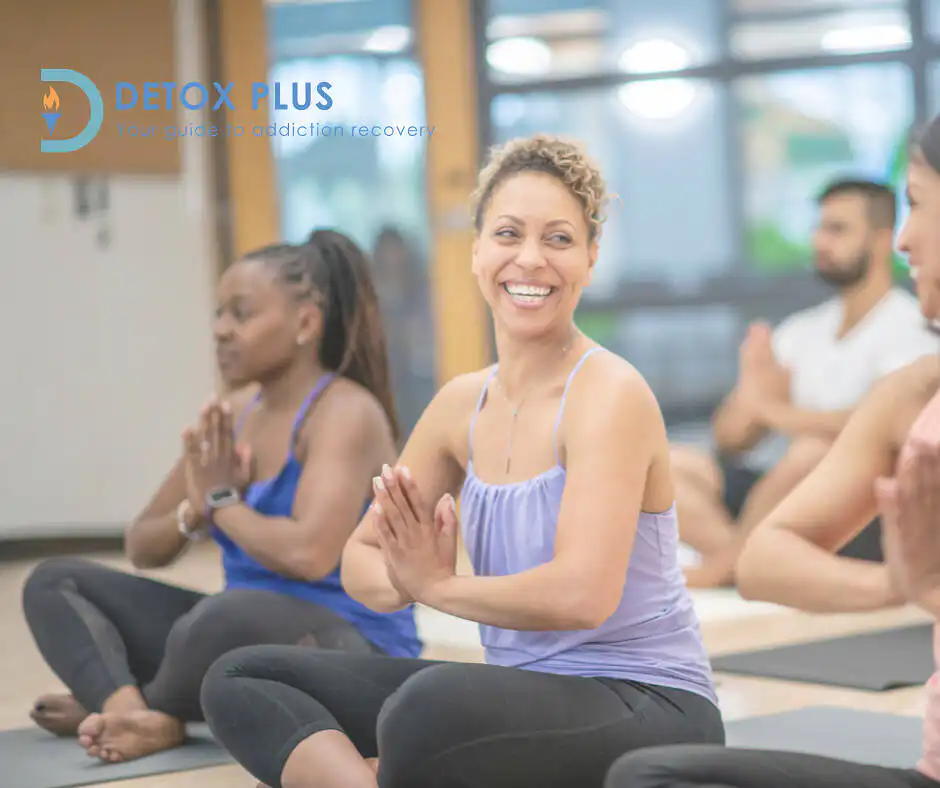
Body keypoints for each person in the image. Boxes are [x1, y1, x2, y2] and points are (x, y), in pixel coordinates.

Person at [199, 134, 724, 788]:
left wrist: (436, 587)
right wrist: (404, 573)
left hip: (646, 702)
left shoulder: (608, 394)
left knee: (427, 706)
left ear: (590, 258)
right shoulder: (459, 406)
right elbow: (359, 557)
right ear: (477, 250)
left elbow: (582, 595)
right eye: (508, 233)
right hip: (517, 698)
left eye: (558, 239)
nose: (529, 259)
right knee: (242, 675)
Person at [605, 114, 940, 788]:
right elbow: (758, 521)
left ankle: (705, 563)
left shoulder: (901, 335)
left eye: (919, 205)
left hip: (819, 475)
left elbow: (803, 429)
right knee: (651, 776)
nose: (907, 238)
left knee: (802, 457)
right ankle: (712, 558)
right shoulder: (907, 384)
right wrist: (902, 586)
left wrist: (777, 411)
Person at [21, 232, 422, 764]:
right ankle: (134, 712)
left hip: (348, 648)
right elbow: (142, 543)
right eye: (218, 315)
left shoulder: (346, 412)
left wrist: (223, 501)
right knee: (54, 582)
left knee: (225, 615)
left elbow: (309, 555)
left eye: (241, 314)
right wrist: (197, 509)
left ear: (305, 323)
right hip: (225, 637)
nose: (220, 331)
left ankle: (153, 710)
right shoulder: (233, 415)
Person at [671, 178, 937, 588]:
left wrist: (776, 411)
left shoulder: (911, 327)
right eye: (818, 228)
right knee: (668, 464)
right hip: (774, 492)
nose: (820, 241)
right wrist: (752, 393)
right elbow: (728, 438)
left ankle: (734, 565)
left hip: (856, 506)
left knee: (812, 452)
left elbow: (874, 426)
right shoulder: (802, 329)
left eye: (837, 230)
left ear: (883, 240)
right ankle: (744, 559)